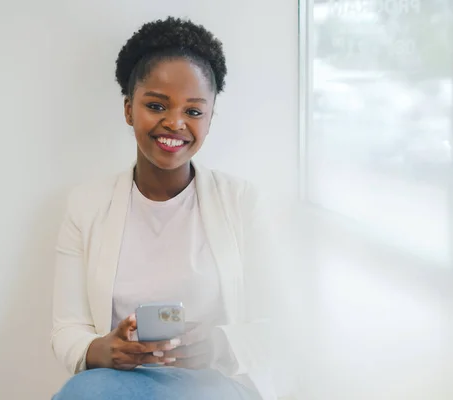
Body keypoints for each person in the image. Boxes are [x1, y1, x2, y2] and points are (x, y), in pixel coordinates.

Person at [51, 17, 279, 400]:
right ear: (129, 110)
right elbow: (66, 329)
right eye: (156, 105)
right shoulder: (86, 205)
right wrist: (104, 349)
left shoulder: (242, 201)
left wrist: (218, 345)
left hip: (213, 384)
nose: (174, 123)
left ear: (209, 118)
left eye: (193, 111)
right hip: (118, 384)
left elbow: (283, 325)